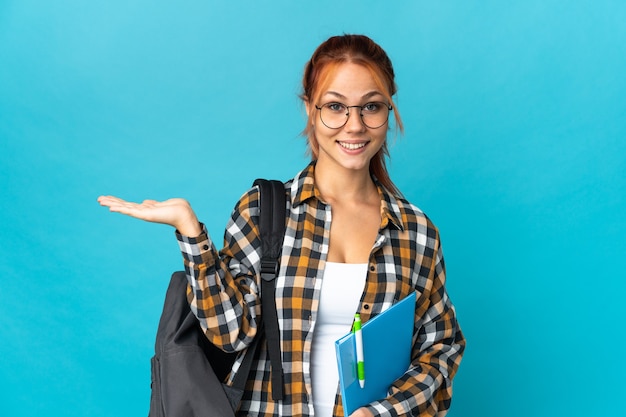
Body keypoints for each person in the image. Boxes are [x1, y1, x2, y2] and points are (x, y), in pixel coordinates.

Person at [98, 34, 465, 417]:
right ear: (309, 108)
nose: (354, 125)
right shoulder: (264, 211)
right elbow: (229, 334)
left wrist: (384, 412)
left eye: (370, 107)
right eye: (335, 106)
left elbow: (441, 348)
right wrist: (192, 235)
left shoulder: (416, 232)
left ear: (389, 109)